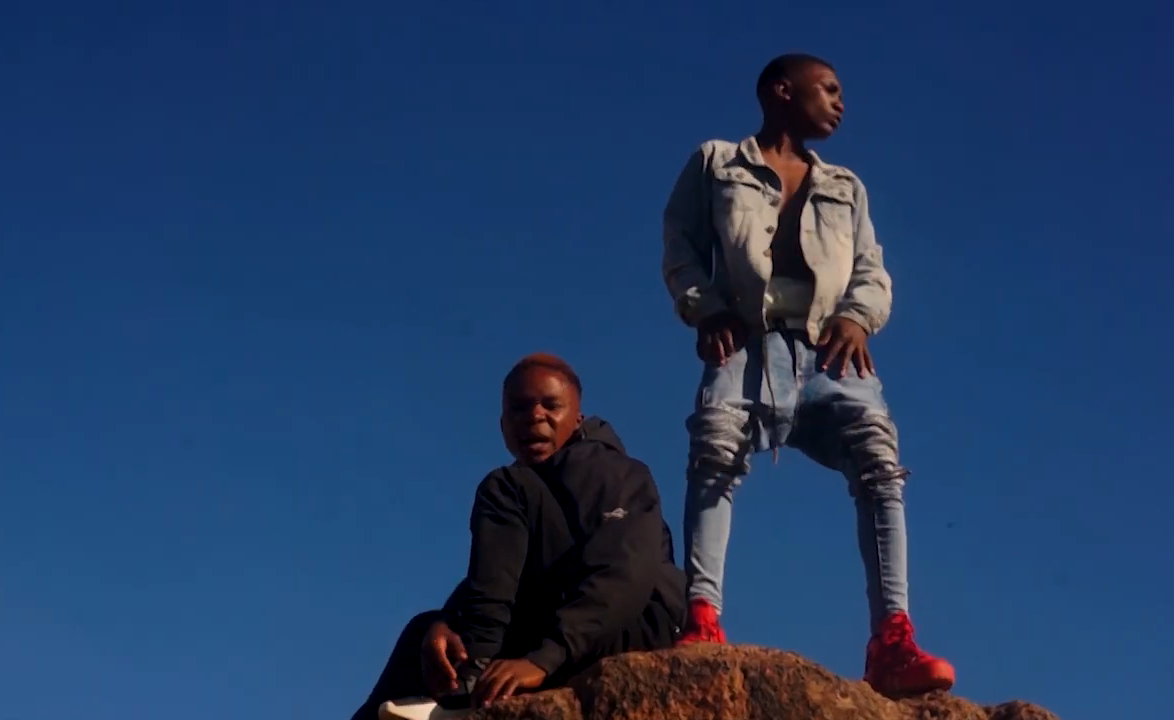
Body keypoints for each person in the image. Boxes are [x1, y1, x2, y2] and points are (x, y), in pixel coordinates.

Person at [659, 53, 956, 697]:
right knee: (714, 451)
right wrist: (705, 309)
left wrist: (857, 317)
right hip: (745, 340)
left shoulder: (846, 185)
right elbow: (680, 243)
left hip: (829, 352)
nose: (840, 103)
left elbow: (871, 270)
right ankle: (702, 617)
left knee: (880, 464)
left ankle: (892, 640)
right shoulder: (717, 162)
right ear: (782, 91)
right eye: (828, 89)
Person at [349, 353, 686, 720]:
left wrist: (544, 658)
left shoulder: (610, 470)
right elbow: (501, 577)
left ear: (577, 419)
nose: (534, 416)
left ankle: (470, 683)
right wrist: (451, 620)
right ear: (503, 425)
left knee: (504, 486)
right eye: (519, 409)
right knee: (426, 633)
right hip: (566, 622)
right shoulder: (532, 492)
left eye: (550, 406)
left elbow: (626, 572)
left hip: (629, 626)